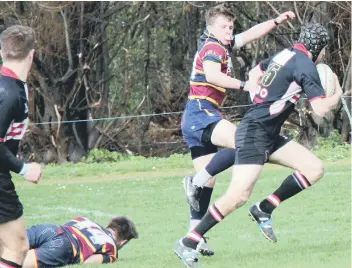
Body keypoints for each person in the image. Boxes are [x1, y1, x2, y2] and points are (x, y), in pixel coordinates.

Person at [175, 22, 343, 267]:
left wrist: (258, 96)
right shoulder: (306, 65)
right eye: (324, 48)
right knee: (237, 195)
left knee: (314, 168)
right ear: (317, 47)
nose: (324, 54)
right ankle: (189, 241)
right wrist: (337, 93)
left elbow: (255, 72)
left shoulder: (286, 54)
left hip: (268, 133)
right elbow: (320, 110)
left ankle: (264, 208)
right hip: (255, 134)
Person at [181, 4, 295, 256]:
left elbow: (251, 34)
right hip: (202, 113)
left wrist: (275, 21)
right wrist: (246, 85)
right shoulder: (213, 47)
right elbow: (211, 75)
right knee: (243, 142)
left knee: (208, 182)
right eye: (224, 26)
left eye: (231, 27)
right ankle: (193, 182)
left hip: (195, 115)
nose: (229, 31)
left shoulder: (221, 43)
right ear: (211, 28)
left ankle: (195, 238)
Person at [0, 25, 43, 268]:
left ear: (2, 52)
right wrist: (24, 169)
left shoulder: (13, 86)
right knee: (17, 247)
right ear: (31, 54)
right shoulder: (9, 93)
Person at [22, 216, 138, 267]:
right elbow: (88, 263)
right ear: (123, 242)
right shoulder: (111, 248)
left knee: (8, 246)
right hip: (65, 246)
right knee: (15, 263)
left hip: (51, 229)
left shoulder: (86, 220)